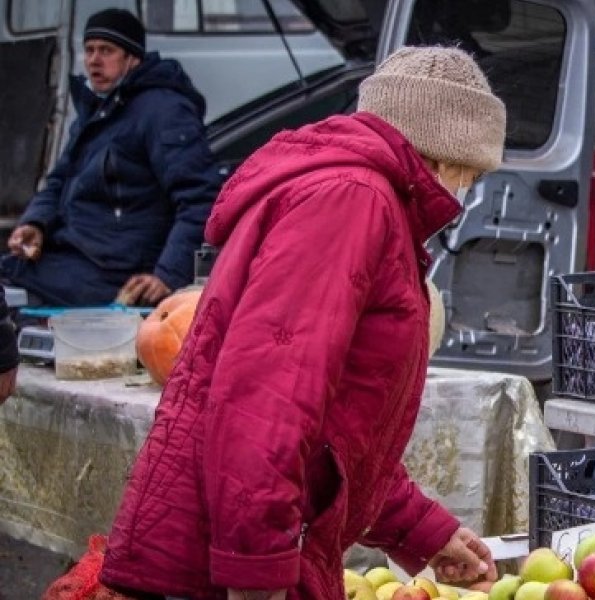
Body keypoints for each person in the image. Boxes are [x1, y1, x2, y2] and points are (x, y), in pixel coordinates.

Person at [99, 46, 507, 599]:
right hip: (223, 568)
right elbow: (268, 403)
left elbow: (336, 434)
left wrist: (422, 530)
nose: (468, 189)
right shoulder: (353, 200)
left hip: (244, 549)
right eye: (472, 171)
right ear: (444, 153)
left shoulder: (359, 198)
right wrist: (257, 571)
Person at [3, 8, 221, 307]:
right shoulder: (98, 109)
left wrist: (168, 274)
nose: (94, 60)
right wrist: (35, 223)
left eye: (106, 50)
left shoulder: (164, 111)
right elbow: (58, 181)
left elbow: (200, 198)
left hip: (113, 270)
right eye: (89, 50)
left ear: (133, 57)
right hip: (73, 256)